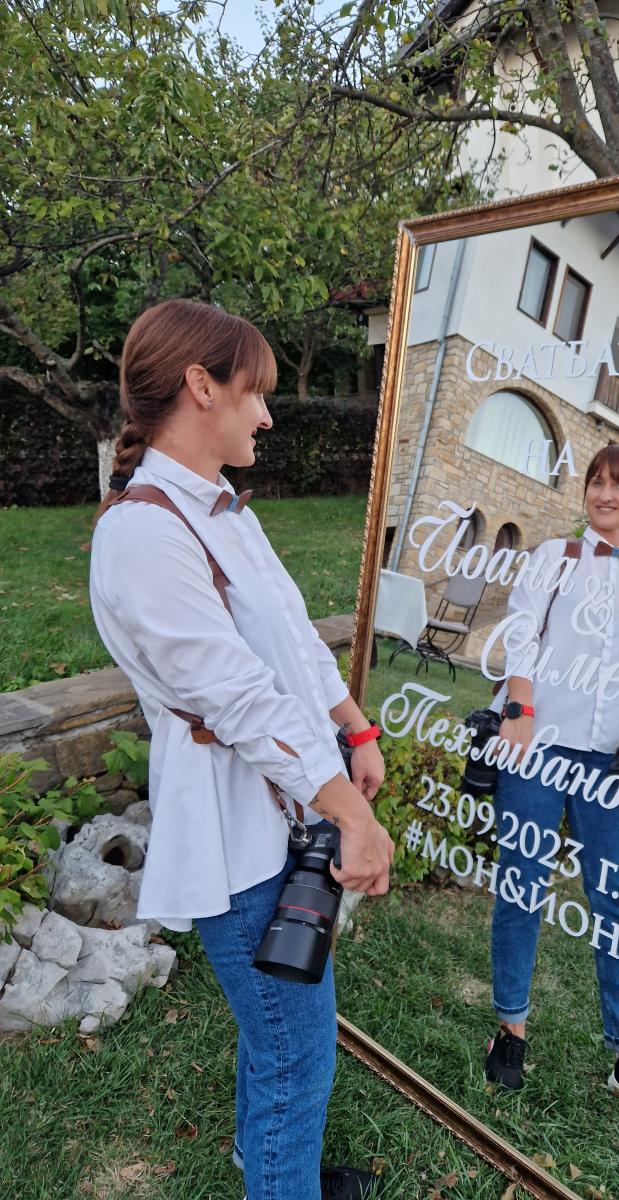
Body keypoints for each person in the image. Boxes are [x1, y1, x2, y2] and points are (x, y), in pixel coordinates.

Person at [88, 299, 394, 1200]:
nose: (265, 415)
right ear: (201, 386)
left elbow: (293, 639)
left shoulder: (224, 510)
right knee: (298, 1051)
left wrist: (353, 726)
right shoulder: (143, 532)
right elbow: (239, 698)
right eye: (254, 392)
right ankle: (280, 1176)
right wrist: (352, 815)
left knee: (281, 1040)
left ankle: (269, 1163)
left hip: (284, 805)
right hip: (235, 833)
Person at [484, 443, 619, 1137]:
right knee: (522, 885)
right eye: (596, 482)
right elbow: (520, 633)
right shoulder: (555, 556)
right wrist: (519, 709)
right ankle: (510, 1030)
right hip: (536, 748)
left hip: (612, 763)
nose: (605, 494)